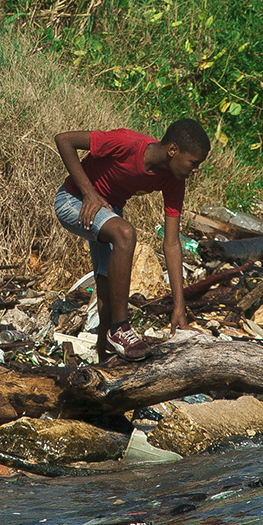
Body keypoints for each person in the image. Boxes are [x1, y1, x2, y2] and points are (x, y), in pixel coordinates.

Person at [54, 119, 210, 361]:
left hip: (109, 212)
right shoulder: (126, 143)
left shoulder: (174, 180)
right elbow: (64, 139)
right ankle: (121, 328)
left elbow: (171, 243)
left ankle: (105, 364)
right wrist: (89, 193)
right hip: (73, 200)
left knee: (108, 290)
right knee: (125, 233)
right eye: (193, 163)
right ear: (172, 150)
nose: (196, 170)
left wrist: (179, 307)